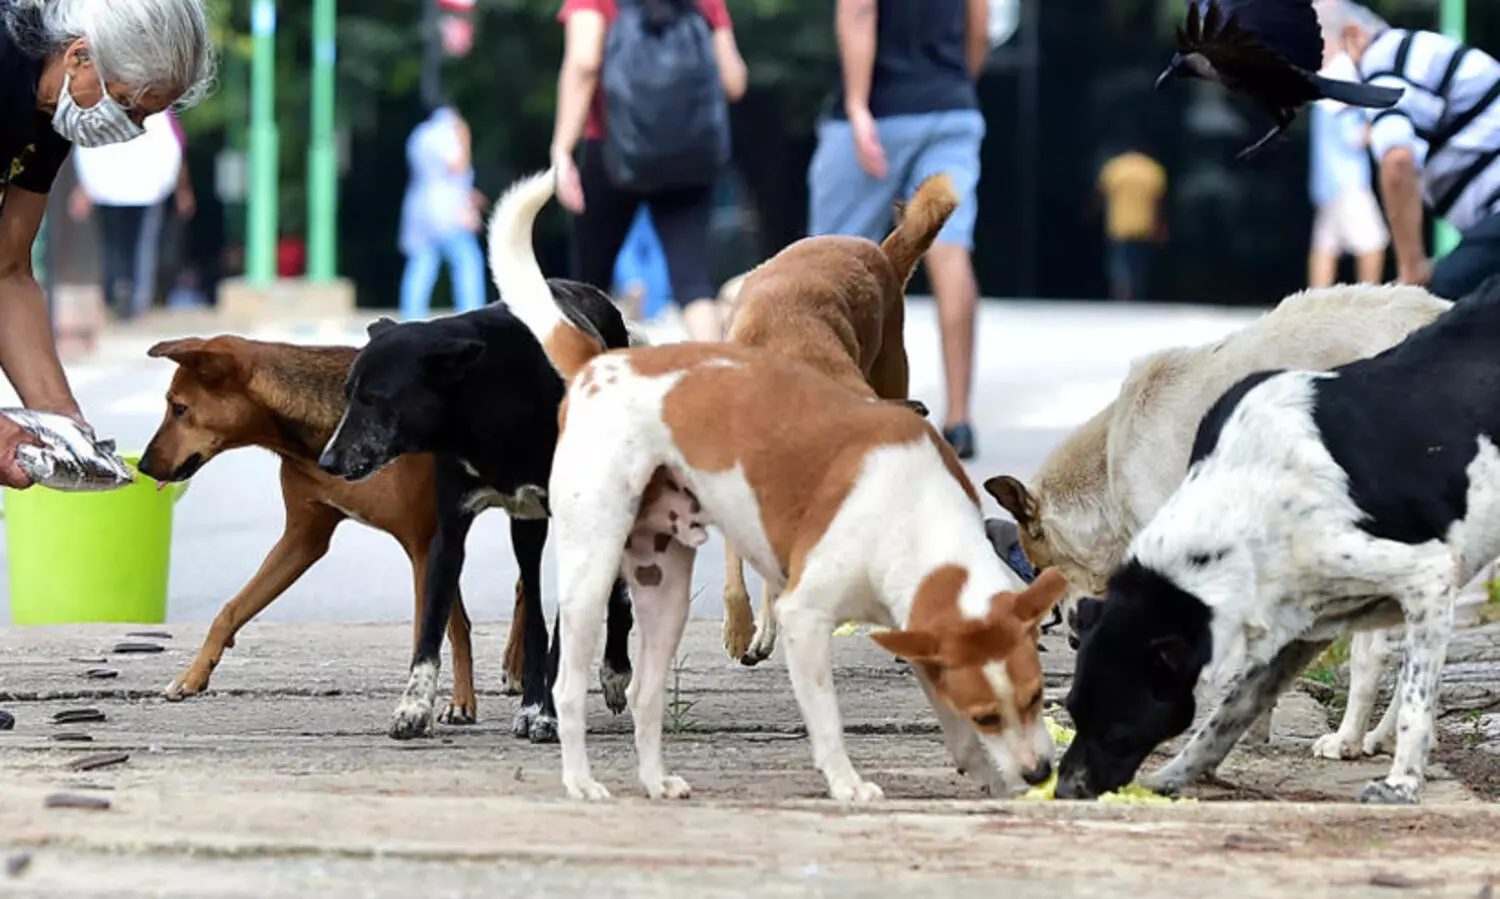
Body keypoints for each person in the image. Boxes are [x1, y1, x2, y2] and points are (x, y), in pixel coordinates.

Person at [0, 0, 214, 490]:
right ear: (79, 56)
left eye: (145, 118)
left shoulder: (49, 112)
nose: (132, 129)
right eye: (127, 105)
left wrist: (63, 423)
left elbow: (7, 271)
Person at [806, 0, 989, 460]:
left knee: (826, 260)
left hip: (881, 111)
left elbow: (859, 10)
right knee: (950, 247)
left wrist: (856, 105)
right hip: (951, 107)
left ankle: (825, 403)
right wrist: (955, 84)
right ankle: (959, 418)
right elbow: (981, 19)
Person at [550, 0, 748, 344]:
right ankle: (720, 380)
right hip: (690, 155)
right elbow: (734, 81)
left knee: (588, 283)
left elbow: (584, 64)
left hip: (612, 149)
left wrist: (562, 149)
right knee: (694, 284)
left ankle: (578, 384)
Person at [1318, 1, 1500, 299]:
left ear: (1353, 36)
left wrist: (1411, 267)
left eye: (1316, 61)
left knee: (1436, 308)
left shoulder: (1384, 64)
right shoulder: (1403, 54)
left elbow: (1398, 161)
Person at [68, 110, 190, 320]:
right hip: (143, 189)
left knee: (114, 245)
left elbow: (87, 144)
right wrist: (179, 189)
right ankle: (134, 299)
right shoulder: (158, 106)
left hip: (112, 188)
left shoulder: (103, 102)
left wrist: (85, 186)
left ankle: (119, 295)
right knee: (141, 246)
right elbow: (174, 148)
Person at [398, 103, 487, 321]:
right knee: (467, 261)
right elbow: (457, 167)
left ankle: (410, 319)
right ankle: (472, 315)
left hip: (419, 207)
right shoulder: (450, 132)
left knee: (422, 263)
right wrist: (465, 139)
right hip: (447, 209)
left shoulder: (419, 135)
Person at [1307, 48, 1388, 287]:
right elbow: (1353, 136)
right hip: (1349, 183)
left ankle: (1313, 310)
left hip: (1325, 185)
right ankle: (1369, 307)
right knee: (1373, 244)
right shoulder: (1345, 76)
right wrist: (1386, 127)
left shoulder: (1325, 83)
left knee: (1325, 247)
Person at [1096, 147, 1167, 301]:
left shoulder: (1115, 167)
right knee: (1139, 263)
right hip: (1144, 225)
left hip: (1119, 225)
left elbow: (1101, 195)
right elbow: (1159, 202)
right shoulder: (1151, 169)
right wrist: (1160, 225)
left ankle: (1122, 291)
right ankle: (1136, 292)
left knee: (1119, 263)